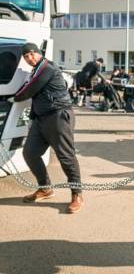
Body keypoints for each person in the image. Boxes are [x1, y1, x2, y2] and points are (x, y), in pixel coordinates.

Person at [13, 43, 83, 213]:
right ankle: (45, 188)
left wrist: (13, 97)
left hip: (58, 116)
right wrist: (32, 118)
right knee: (30, 153)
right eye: (26, 56)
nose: (29, 58)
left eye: (31, 54)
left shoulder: (47, 68)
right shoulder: (35, 70)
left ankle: (77, 194)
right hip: (41, 119)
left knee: (66, 157)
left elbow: (29, 91)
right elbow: (34, 94)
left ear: (39, 53)